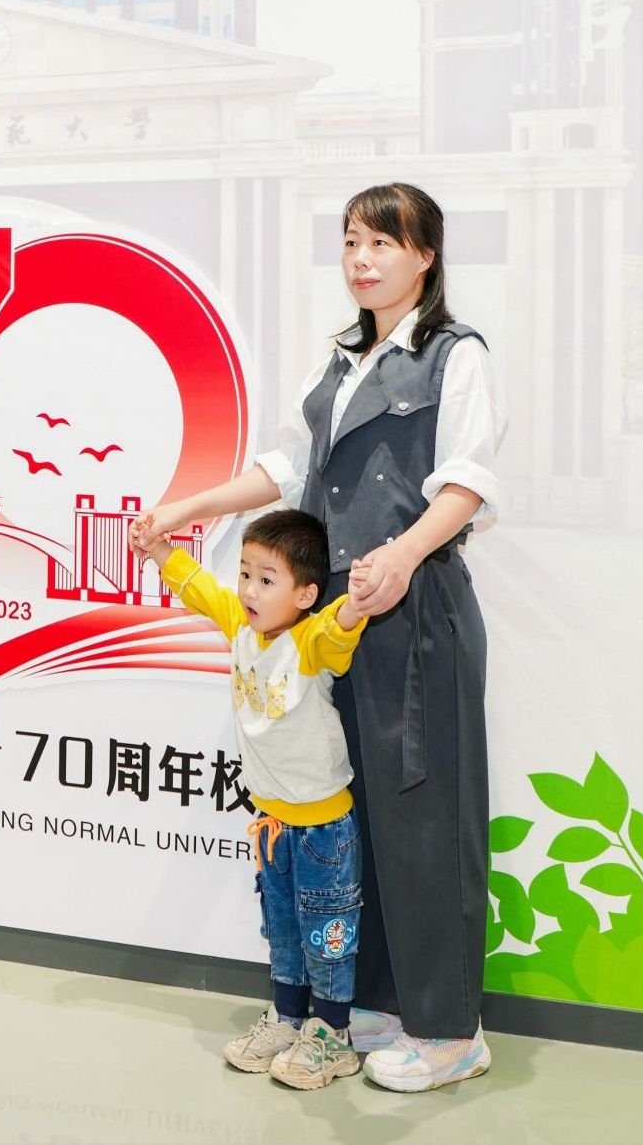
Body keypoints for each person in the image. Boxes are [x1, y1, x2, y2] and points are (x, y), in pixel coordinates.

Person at [135, 182, 505, 1093]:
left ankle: (451, 1031)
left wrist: (404, 556)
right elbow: (287, 467)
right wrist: (186, 508)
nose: (362, 260)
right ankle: (376, 1006)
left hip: (413, 608)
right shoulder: (341, 362)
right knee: (359, 810)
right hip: (336, 615)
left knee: (425, 818)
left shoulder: (454, 355)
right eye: (350, 242)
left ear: (426, 256)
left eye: (384, 242)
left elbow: (467, 481)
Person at [134, 508, 370, 1089]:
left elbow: (340, 626)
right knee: (282, 929)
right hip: (272, 826)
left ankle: (332, 1036)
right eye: (245, 574)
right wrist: (158, 549)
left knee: (327, 936)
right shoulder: (241, 628)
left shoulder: (309, 642)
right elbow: (198, 587)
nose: (248, 590)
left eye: (267, 579)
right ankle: (288, 1020)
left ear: (305, 594)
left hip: (324, 833)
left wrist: (361, 598)